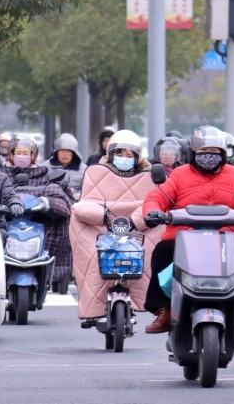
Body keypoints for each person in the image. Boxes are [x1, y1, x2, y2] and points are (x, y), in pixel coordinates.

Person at [143, 125, 234, 336]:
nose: (208, 158)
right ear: (192, 154)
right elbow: (157, 197)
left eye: (214, 153)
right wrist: (154, 211)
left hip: (229, 236)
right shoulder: (180, 174)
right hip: (183, 236)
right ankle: (164, 309)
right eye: (203, 153)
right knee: (162, 251)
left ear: (223, 155)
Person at [70, 129, 161, 324]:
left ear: (138, 156)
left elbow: (153, 203)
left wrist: (138, 219)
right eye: (120, 153)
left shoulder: (149, 176)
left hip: (137, 228)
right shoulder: (96, 172)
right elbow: (86, 202)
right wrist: (100, 215)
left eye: (130, 155)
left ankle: (143, 301)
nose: (124, 158)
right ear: (110, 153)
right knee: (92, 256)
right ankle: (93, 307)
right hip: (101, 227)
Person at [0, 135, 74, 297]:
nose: (21, 156)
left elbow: (65, 205)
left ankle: (52, 269)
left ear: (34, 155)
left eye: (26, 153)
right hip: (6, 227)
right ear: (10, 155)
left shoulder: (46, 178)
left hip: (39, 229)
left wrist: (47, 203)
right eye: (18, 152)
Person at [42, 133, 87, 198]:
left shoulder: (84, 170)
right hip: (51, 202)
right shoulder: (44, 167)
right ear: (56, 152)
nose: (65, 154)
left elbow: (88, 192)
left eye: (68, 151)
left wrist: (75, 193)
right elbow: (39, 187)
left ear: (74, 153)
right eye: (62, 150)